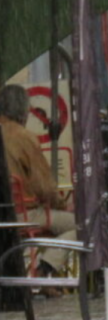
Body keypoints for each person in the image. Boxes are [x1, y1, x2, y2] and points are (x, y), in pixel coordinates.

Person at [0, 84, 77, 277]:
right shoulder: (23, 137)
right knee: (81, 225)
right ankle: (44, 270)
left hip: (4, 214)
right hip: (22, 215)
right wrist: (60, 204)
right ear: (24, 111)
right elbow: (45, 188)